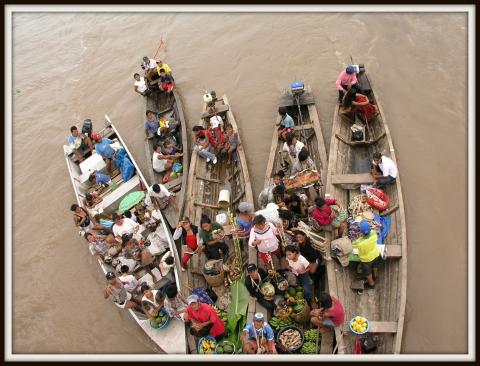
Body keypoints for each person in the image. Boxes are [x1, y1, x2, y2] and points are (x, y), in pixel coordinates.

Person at [352, 220, 381, 289]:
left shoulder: (359, 242)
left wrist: (358, 237)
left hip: (366, 260)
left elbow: (353, 245)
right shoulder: (374, 234)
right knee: (375, 266)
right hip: (376, 255)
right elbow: (378, 234)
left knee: (368, 273)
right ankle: (375, 276)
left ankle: (371, 284)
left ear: (361, 232)